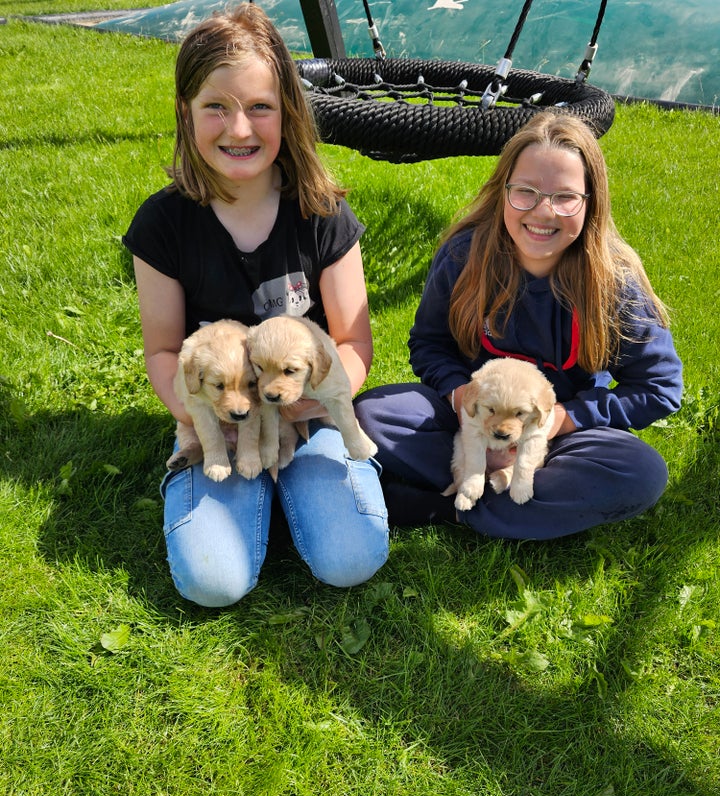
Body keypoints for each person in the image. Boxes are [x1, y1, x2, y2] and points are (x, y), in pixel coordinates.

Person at [123, 3, 388, 606]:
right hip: (216, 415)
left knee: (352, 559)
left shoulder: (322, 213)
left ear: (288, 112)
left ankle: (300, 483)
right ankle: (242, 491)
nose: (239, 129)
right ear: (185, 113)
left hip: (308, 409)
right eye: (216, 106)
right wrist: (206, 420)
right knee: (213, 582)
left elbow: (351, 342)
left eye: (260, 107)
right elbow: (165, 350)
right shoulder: (163, 224)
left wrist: (292, 411)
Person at [354, 112, 683, 538]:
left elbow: (660, 388)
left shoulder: (614, 282)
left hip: (559, 437)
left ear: (591, 202)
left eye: (565, 197)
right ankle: (501, 500)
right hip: (471, 421)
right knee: (374, 414)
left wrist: (562, 419)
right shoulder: (463, 255)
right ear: (503, 192)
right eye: (525, 192)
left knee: (640, 471)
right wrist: (465, 404)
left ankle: (443, 508)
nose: (543, 212)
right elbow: (430, 345)